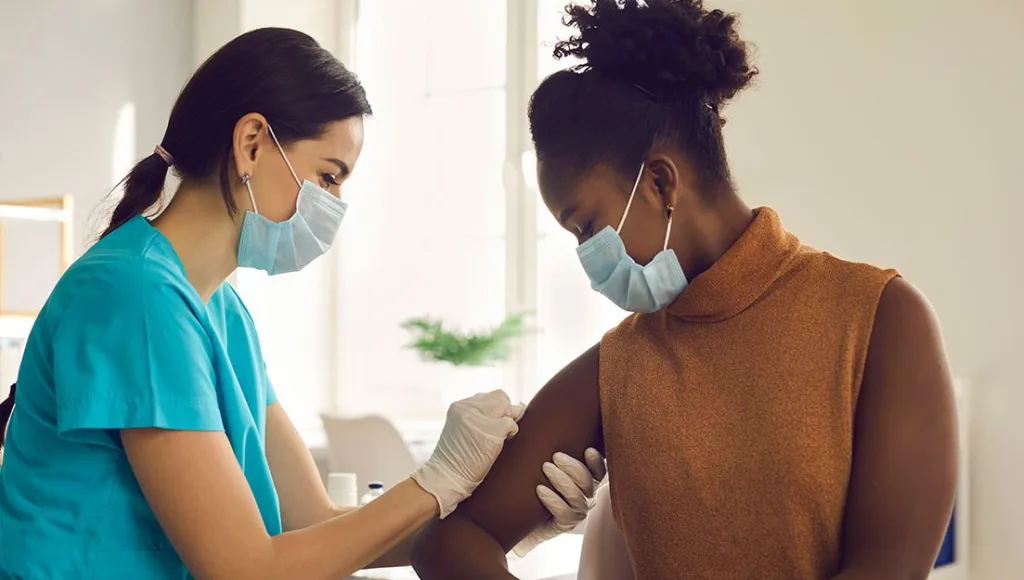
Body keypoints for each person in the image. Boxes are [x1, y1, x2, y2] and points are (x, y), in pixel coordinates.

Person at [0, 28, 606, 579]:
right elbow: (245, 568)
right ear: (253, 144)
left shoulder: (221, 313)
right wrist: (435, 482)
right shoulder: (133, 295)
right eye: (329, 176)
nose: (336, 203)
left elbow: (309, 521)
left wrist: (504, 521)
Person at [410, 1, 959, 579]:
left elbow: (889, 569)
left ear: (659, 181)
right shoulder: (623, 364)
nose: (586, 258)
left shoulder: (879, 320)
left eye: (588, 227)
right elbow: (451, 540)